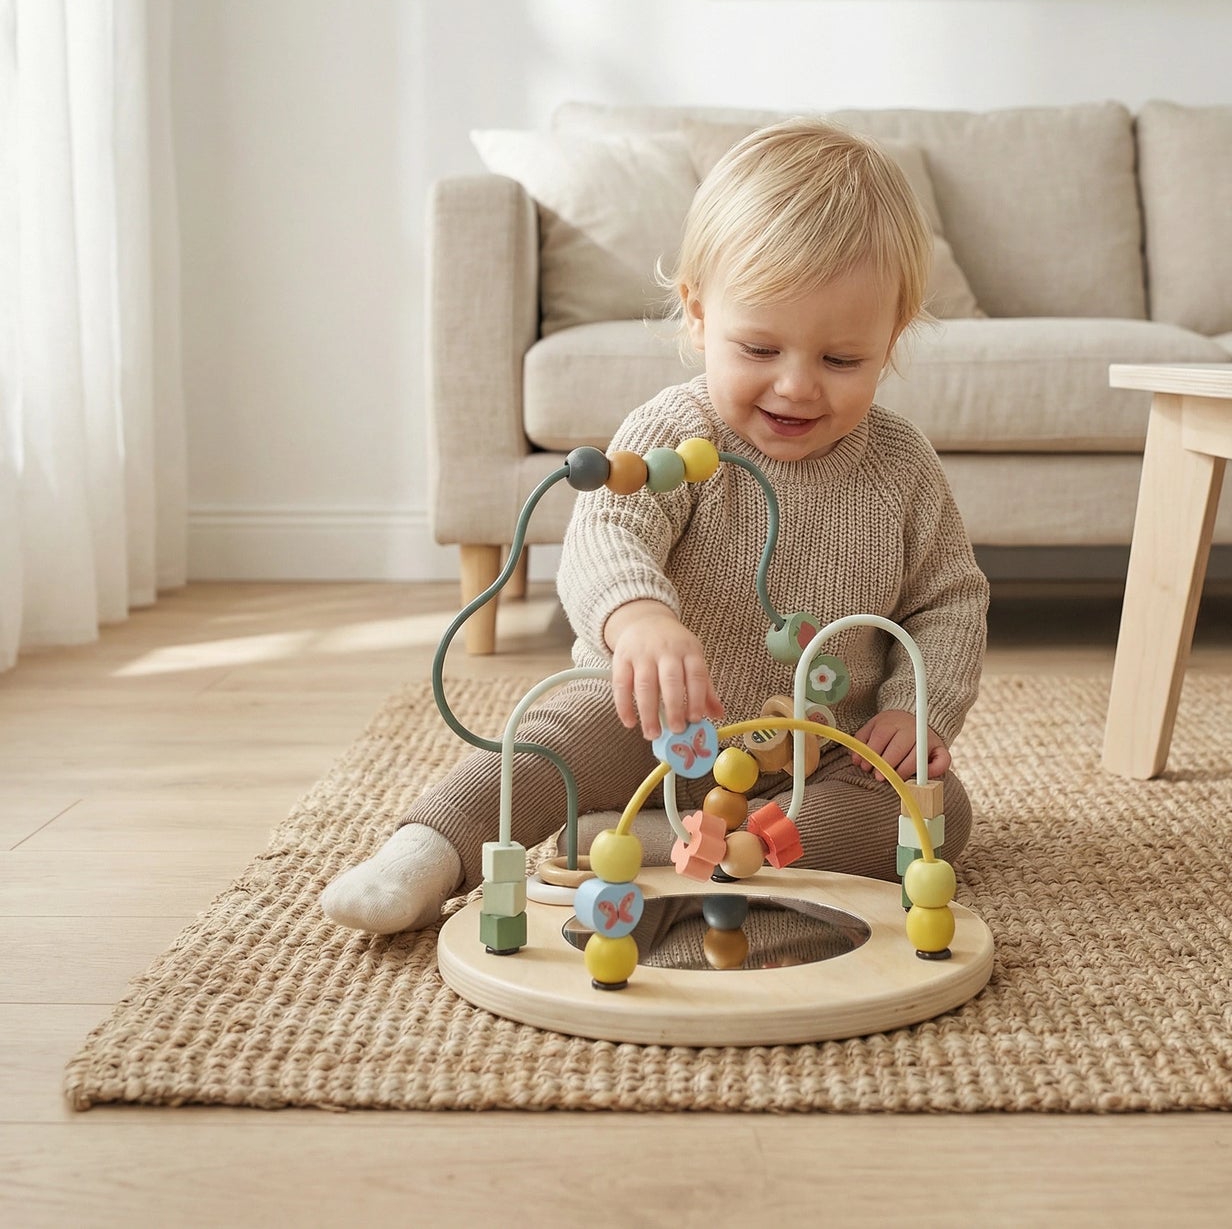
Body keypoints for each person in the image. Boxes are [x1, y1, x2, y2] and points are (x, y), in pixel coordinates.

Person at [322, 118, 989, 934]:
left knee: (937, 817)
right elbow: (607, 530)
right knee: (547, 744)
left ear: (891, 340)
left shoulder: (901, 466)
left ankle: (653, 843)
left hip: (816, 760)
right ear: (698, 315)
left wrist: (917, 711)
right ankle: (424, 851)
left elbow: (949, 599)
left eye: (840, 360)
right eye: (758, 346)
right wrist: (639, 618)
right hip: (650, 728)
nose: (796, 386)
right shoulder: (674, 432)